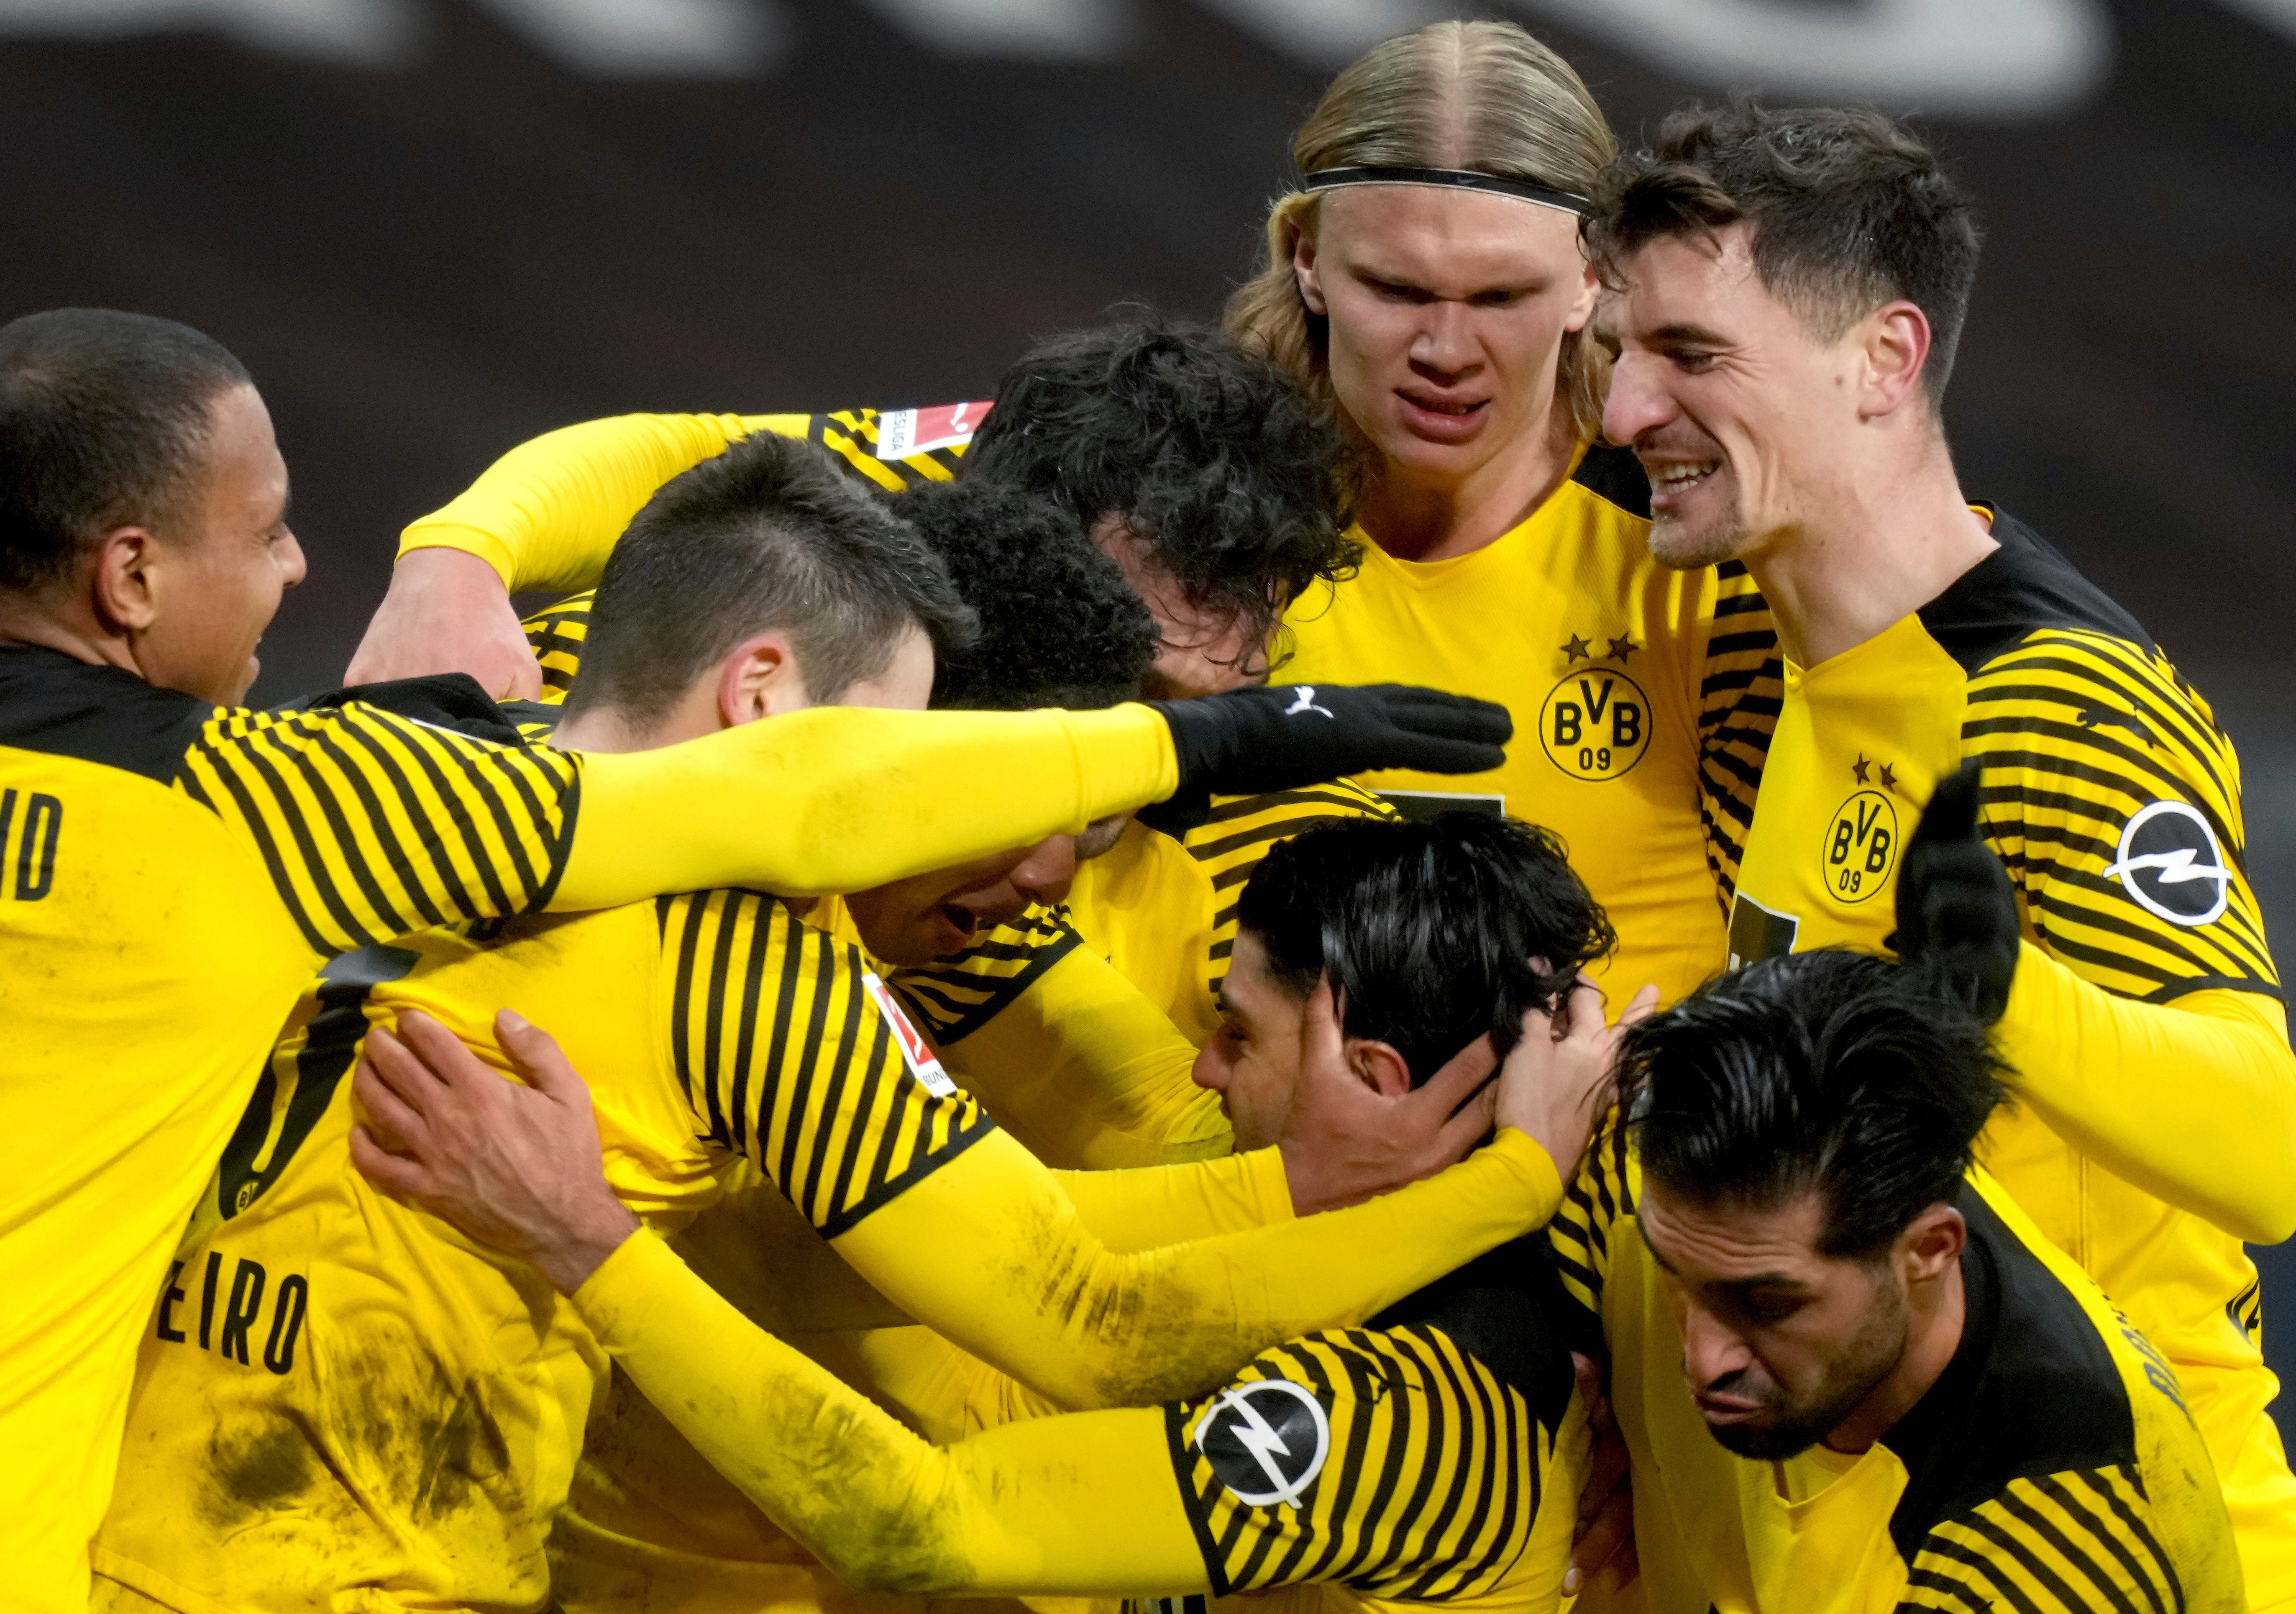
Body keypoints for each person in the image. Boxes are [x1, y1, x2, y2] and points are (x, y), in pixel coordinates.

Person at [0, 311, 1469, 1614]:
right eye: (954, 766)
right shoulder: (752, 963)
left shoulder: (371, 764)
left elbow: (679, 466)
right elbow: (1088, 1317)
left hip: (118, 1543)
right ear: (769, 691)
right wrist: (1463, 1188)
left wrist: (461, 547)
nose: (1048, 862)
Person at [1590, 100, 2296, 1604]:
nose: (1622, 411)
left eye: (1693, 357)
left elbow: (2268, 1147)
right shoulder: (1747, 659)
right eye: (1620, 353)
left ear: (1885, 361)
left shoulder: (2054, 704)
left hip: (2099, 1552)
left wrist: (2006, 1002)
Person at [348, 815, 1642, 1614]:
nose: (1198, 1067)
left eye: (1234, 1036)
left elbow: (924, 1522)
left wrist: (586, 1241)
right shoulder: (1256, 1169)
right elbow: (1056, 1226)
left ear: (1370, 1081)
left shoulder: (1416, 1410)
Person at [344, 317, 1404, 1050]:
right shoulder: (638, 677)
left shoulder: (1235, 844)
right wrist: (455, 564)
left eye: (1187, 711)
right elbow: (685, 452)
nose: (1138, 757)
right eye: (1122, 686)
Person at [1225, 18, 1779, 1009]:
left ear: (1592, 278)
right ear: (1306, 257)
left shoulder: (1713, 552)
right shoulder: (1178, 506)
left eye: (1501, 295)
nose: (1447, 348)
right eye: (1397, 288)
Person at [1550, 949, 2243, 1613]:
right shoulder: (1698, 1170)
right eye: (1673, 1275)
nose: (1702, 1360)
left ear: (1928, 1250)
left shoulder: (2049, 1559)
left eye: (1767, 1304)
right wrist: (1574, 1382)